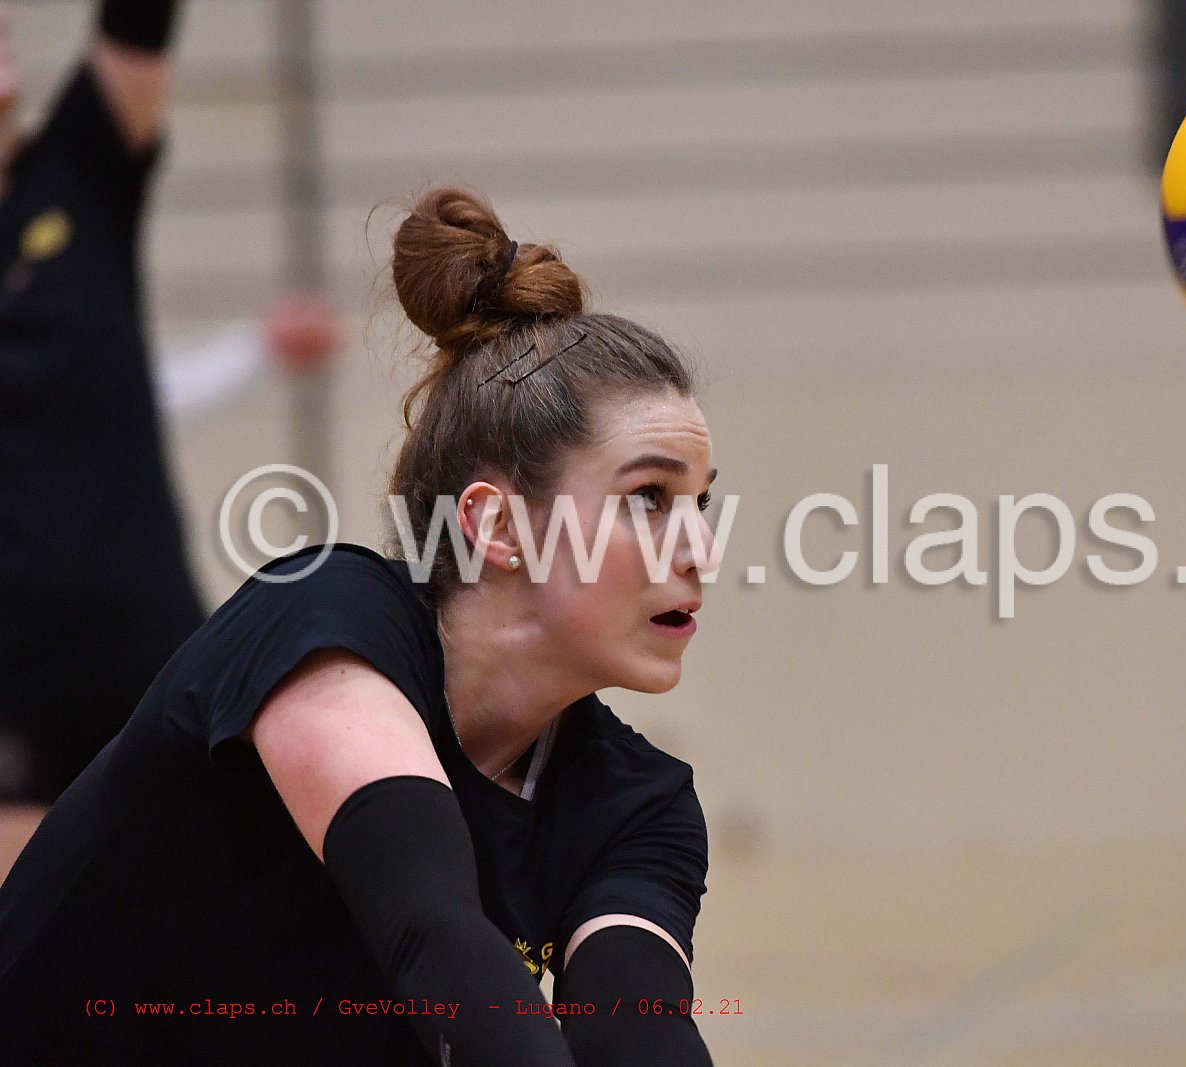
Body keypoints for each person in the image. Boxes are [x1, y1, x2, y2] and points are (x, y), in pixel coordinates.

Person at [0, 186, 720, 1066]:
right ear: (496, 527)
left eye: (701, 502)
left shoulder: (639, 804)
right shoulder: (324, 619)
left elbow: (635, 1031)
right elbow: (433, 931)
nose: (700, 548)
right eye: (648, 497)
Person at [0, 0, 340, 808]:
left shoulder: (78, 171)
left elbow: (138, 28)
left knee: (191, 887)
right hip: (12, 661)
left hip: (135, 626)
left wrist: (254, 352)